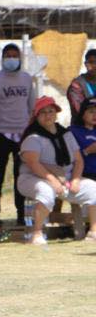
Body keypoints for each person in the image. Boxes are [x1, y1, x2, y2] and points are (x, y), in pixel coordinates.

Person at [16, 96, 96, 245]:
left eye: (51, 111)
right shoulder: (32, 137)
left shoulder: (66, 134)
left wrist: (76, 179)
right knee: (45, 190)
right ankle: (37, 233)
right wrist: (53, 180)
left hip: (65, 178)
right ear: (37, 115)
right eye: (43, 112)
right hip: (33, 177)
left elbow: (78, 160)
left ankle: (93, 231)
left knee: (93, 188)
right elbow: (33, 164)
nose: (48, 115)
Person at [0, 43, 35, 226]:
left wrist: (30, 133)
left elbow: (32, 107)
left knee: (20, 176)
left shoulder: (27, 79)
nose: (11, 59)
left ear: (20, 58)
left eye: (15, 56)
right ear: (3, 58)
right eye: (8, 56)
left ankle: (22, 214)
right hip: (2, 135)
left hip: (22, 135)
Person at [69, 96, 96, 182]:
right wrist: (87, 151)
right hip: (83, 176)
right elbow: (67, 157)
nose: (95, 115)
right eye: (91, 112)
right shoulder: (72, 131)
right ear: (82, 113)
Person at [66, 48, 96, 121]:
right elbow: (81, 111)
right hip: (82, 128)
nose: (95, 65)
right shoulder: (76, 85)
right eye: (91, 62)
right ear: (85, 64)